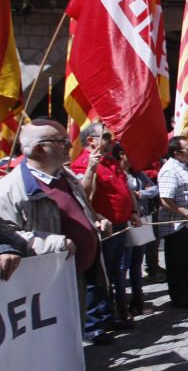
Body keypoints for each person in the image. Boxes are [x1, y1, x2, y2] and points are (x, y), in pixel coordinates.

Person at [0, 120, 111, 341]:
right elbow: (7, 233)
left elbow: (81, 206)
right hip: (48, 282)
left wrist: (96, 221)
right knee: (55, 340)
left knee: (73, 335)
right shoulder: (11, 188)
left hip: (77, 273)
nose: (70, 145)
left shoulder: (65, 176)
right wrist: (55, 243)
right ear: (41, 147)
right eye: (61, 141)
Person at [71, 123, 141, 327]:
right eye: (107, 136)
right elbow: (84, 196)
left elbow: (125, 190)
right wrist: (91, 168)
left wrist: (134, 212)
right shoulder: (82, 164)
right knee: (102, 276)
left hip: (121, 225)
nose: (112, 140)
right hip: (103, 229)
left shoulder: (111, 162)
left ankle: (114, 314)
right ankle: (100, 321)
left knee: (116, 272)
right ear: (91, 140)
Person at [157, 136, 188, 308]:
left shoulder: (186, 167)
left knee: (186, 262)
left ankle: (186, 291)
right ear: (177, 153)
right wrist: (185, 212)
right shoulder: (170, 169)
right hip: (176, 226)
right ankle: (178, 297)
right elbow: (165, 199)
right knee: (176, 263)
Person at [122, 152, 158, 315]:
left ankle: (138, 301)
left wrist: (140, 194)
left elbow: (154, 188)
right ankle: (122, 305)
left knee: (137, 264)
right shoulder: (118, 173)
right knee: (123, 266)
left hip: (141, 219)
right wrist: (131, 195)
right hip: (125, 223)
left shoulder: (138, 173)